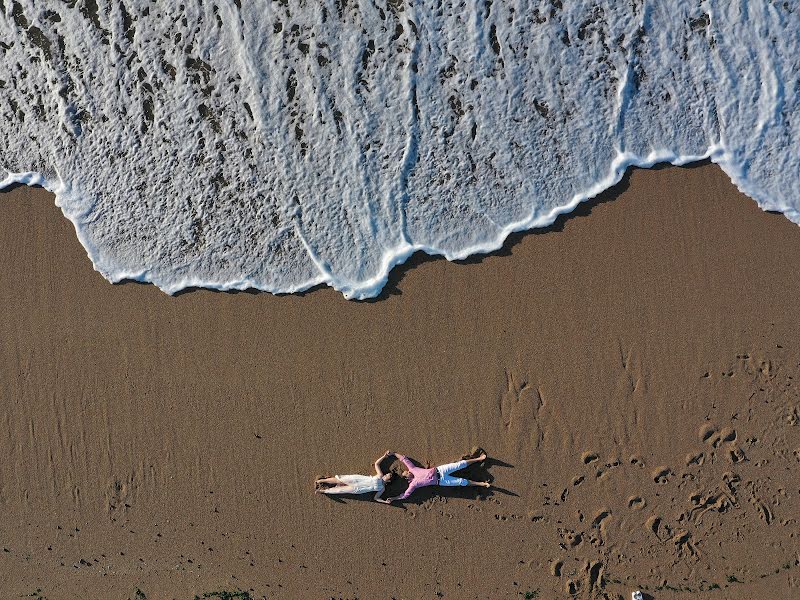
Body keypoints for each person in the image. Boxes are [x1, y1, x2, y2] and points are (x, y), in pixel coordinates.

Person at [384, 451, 490, 503]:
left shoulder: (412, 469)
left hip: (440, 470)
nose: (407, 472)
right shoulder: (413, 484)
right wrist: (393, 498)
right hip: (441, 481)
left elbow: (404, 459)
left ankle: (478, 459)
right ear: (407, 478)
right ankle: (481, 484)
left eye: (406, 471)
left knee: (459, 465)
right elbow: (404, 495)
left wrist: (393, 453)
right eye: (406, 473)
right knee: (461, 482)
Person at [315, 451, 393, 503]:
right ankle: (321, 481)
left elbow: (376, 498)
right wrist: (384, 456)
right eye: (387, 474)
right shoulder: (380, 475)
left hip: (359, 489)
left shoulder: (382, 488)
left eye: (388, 476)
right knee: (339, 480)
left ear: (389, 481)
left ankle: (324, 491)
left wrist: (385, 501)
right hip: (357, 479)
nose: (385, 475)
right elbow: (376, 464)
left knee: (340, 490)